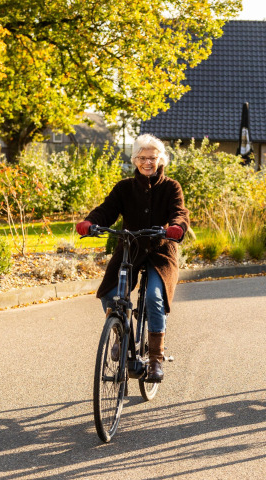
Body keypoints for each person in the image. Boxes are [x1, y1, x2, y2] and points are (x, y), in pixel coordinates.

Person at [76, 134, 189, 383]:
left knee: (153, 298)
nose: (147, 162)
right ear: (134, 159)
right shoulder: (124, 187)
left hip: (160, 252)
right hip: (131, 249)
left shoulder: (171, 187)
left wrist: (176, 227)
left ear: (161, 160)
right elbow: (107, 209)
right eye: (142, 157)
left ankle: (155, 360)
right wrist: (90, 222)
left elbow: (179, 212)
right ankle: (120, 333)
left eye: (153, 157)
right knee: (110, 293)